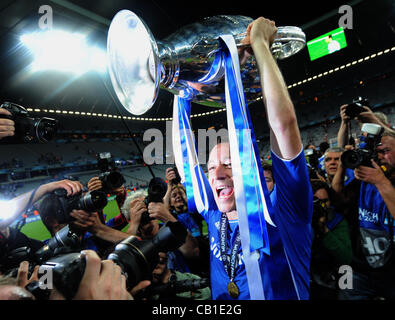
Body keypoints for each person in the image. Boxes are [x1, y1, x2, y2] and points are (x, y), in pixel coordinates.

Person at [193, 17, 313, 300]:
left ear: (250, 166)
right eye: (211, 167)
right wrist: (180, 88)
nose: (217, 173)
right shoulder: (215, 216)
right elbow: (185, 162)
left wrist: (260, 44)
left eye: (229, 164)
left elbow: (283, 127)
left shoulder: (283, 211)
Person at [332, 131, 395, 300]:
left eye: (386, 151)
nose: (380, 156)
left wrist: (381, 182)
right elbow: (336, 197)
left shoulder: (381, 180)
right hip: (358, 268)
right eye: (377, 152)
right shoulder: (363, 181)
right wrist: (343, 163)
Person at [309, 180, 352, 300]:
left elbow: (346, 257)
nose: (322, 206)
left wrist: (324, 230)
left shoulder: (338, 220)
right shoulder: (298, 220)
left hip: (332, 279)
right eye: (315, 201)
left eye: (325, 201)